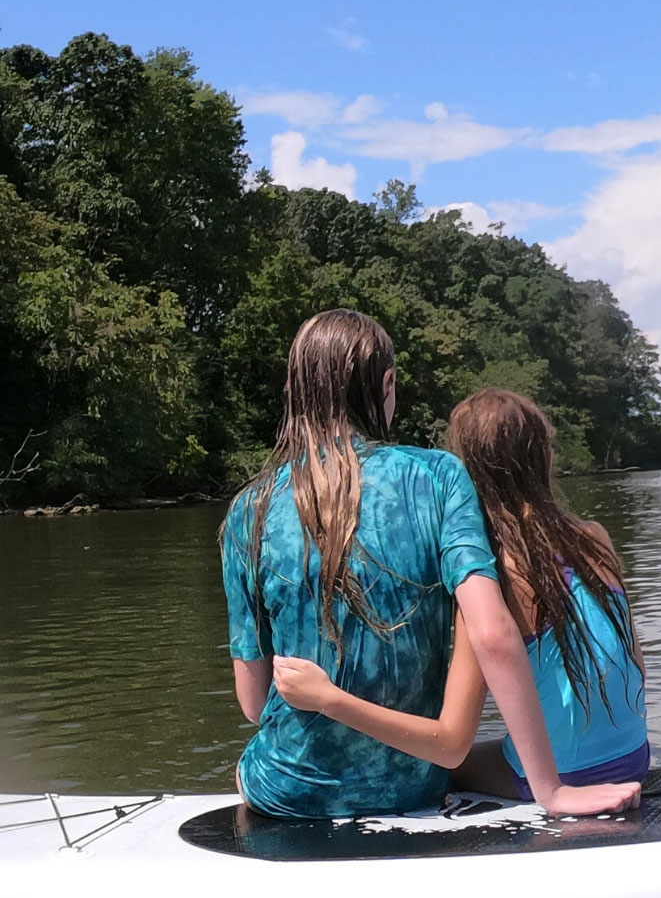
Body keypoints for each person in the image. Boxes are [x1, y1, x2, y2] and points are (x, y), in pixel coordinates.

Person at [221, 310, 639, 819]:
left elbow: (252, 701)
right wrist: (549, 791)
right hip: (416, 783)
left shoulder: (250, 509)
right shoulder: (439, 476)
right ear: (387, 384)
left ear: (296, 391)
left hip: (289, 792)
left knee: (251, 766)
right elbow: (492, 631)